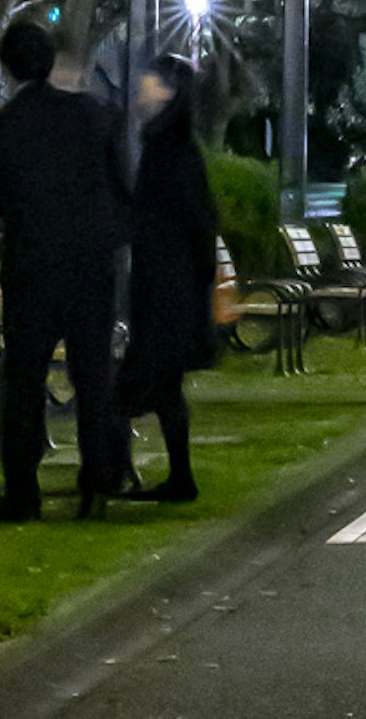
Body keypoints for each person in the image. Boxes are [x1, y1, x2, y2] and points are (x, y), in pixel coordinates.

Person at [0, 13, 127, 520]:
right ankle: (99, 477)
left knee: (24, 378)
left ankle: (22, 491)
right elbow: (120, 186)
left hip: (31, 263)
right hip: (89, 263)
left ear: (10, 70)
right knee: (93, 373)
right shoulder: (99, 117)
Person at [118, 56, 219, 503]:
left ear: (167, 91)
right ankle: (176, 477)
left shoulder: (167, 149)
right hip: (173, 289)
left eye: (148, 83)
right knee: (162, 388)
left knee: (130, 389)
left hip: (164, 290)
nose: (140, 90)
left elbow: (186, 221)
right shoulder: (176, 145)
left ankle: (112, 476)